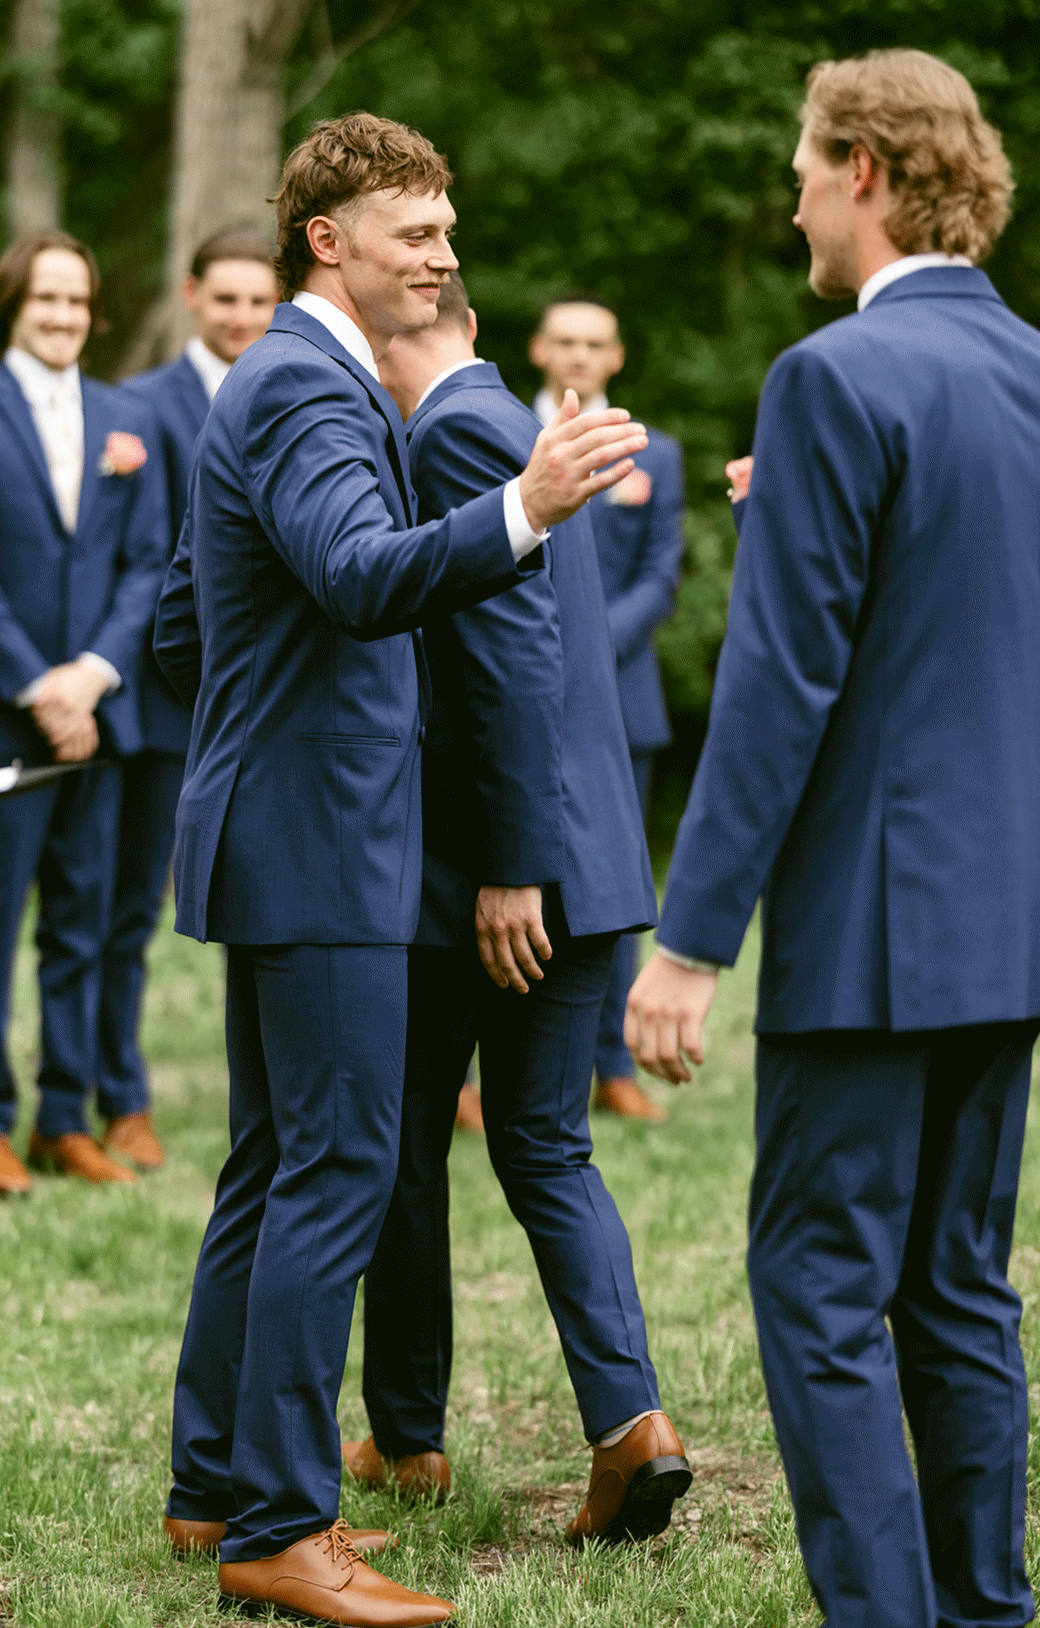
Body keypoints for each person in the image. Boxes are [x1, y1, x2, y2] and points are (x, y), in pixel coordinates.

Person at [152, 112, 647, 1627]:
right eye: (410, 232)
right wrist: (526, 507)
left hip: (289, 830)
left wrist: (261, 724)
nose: (439, 255)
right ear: (327, 240)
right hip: (326, 848)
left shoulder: (294, 381)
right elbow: (364, 582)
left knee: (271, 1171)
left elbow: (186, 626)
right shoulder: (308, 384)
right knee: (339, 1175)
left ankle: (207, 1488)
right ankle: (282, 1530)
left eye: (444, 231)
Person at [626, 48, 1040, 1628]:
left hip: (872, 933)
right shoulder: (1027, 374)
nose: (788, 193)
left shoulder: (833, 379)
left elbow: (782, 685)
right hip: (1007, 923)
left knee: (817, 1290)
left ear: (865, 167)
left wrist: (688, 943)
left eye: (805, 163)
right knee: (954, 1289)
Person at [341, 271, 691, 1545]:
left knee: (402, 1141)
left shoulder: (444, 436)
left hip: (498, 870)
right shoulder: (523, 423)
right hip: (588, 859)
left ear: (380, 349)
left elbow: (508, 654)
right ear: (483, 329)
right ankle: (630, 1423)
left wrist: (509, 864)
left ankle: (410, 1431)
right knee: (545, 1147)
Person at [96, 231, 278, 1174]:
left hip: (269, 709)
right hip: (170, 703)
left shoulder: (293, 394)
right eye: (227, 300)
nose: (242, 318)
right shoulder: (142, 409)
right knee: (126, 909)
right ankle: (120, 1099)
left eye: (259, 301)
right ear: (193, 296)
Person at [0, 230, 167, 1193]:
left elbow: (149, 560)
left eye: (76, 301)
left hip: (100, 717)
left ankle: (64, 1120)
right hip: (11, 716)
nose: (63, 317)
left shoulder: (122, 416)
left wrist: (94, 674)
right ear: (15, 306)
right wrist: (41, 685)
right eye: (44, 300)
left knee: (82, 921)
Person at [531, 295, 685, 1121]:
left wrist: (582, 650)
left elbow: (660, 578)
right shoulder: (496, 436)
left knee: (614, 888)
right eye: (566, 342)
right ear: (539, 348)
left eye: (595, 344)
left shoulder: (654, 453)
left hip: (621, 701)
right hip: (515, 690)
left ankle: (611, 1061)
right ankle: (488, 1069)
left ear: (616, 357)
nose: (580, 356)